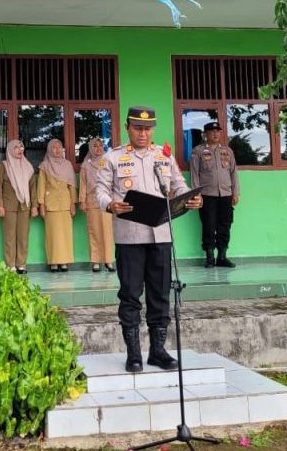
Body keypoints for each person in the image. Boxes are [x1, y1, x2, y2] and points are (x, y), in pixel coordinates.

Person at [96, 106, 203, 373]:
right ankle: (133, 354)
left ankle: (158, 351)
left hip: (161, 235)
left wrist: (191, 197)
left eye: (147, 129)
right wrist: (110, 204)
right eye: (137, 128)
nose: (142, 134)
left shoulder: (163, 156)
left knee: (160, 293)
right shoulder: (113, 157)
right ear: (127, 128)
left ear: (152, 129)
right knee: (130, 295)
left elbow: (178, 184)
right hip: (129, 236)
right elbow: (100, 190)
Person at [190, 121, 239, 268]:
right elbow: (194, 174)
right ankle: (210, 257)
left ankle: (222, 257)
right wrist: (197, 194)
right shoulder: (198, 151)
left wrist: (235, 192)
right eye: (212, 131)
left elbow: (233, 173)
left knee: (225, 225)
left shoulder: (227, 151)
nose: (215, 134)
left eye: (218, 131)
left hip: (226, 194)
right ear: (205, 134)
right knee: (209, 225)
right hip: (207, 195)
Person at [0, 139, 38, 274]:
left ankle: (21, 264)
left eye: (21, 147)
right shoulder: (4, 166)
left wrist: (34, 205)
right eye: (16, 148)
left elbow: (32, 188)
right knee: (9, 236)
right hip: (8, 206)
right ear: (10, 150)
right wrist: (0, 205)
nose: (20, 150)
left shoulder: (28, 167)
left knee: (23, 236)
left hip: (25, 205)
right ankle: (11, 265)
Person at [38, 139, 77, 273]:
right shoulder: (44, 166)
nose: (57, 150)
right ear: (49, 150)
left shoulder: (67, 164)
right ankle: (54, 262)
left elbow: (72, 186)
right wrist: (41, 205)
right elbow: (41, 186)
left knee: (65, 234)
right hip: (51, 204)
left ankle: (64, 262)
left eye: (59, 147)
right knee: (53, 235)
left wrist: (73, 203)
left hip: (65, 203)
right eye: (54, 148)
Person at [80, 137, 115, 273]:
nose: (98, 148)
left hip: (107, 200)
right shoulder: (86, 165)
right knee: (94, 231)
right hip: (92, 200)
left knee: (107, 231)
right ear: (90, 148)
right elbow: (83, 184)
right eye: (95, 146)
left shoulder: (108, 161)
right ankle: (95, 261)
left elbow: (114, 181)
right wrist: (82, 201)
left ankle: (108, 260)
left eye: (100, 146)